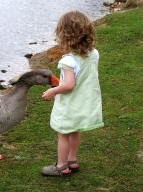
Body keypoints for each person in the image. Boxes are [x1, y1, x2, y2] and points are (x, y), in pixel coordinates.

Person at [41, 11, 104, 176]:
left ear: (65, 36)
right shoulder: (93, 53)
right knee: (75, 131)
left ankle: (61, 166)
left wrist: (53, 91)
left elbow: (68, 85)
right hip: (83, 101)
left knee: (63, 133)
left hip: (70, 104)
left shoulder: (68, 61)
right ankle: (72, 160)